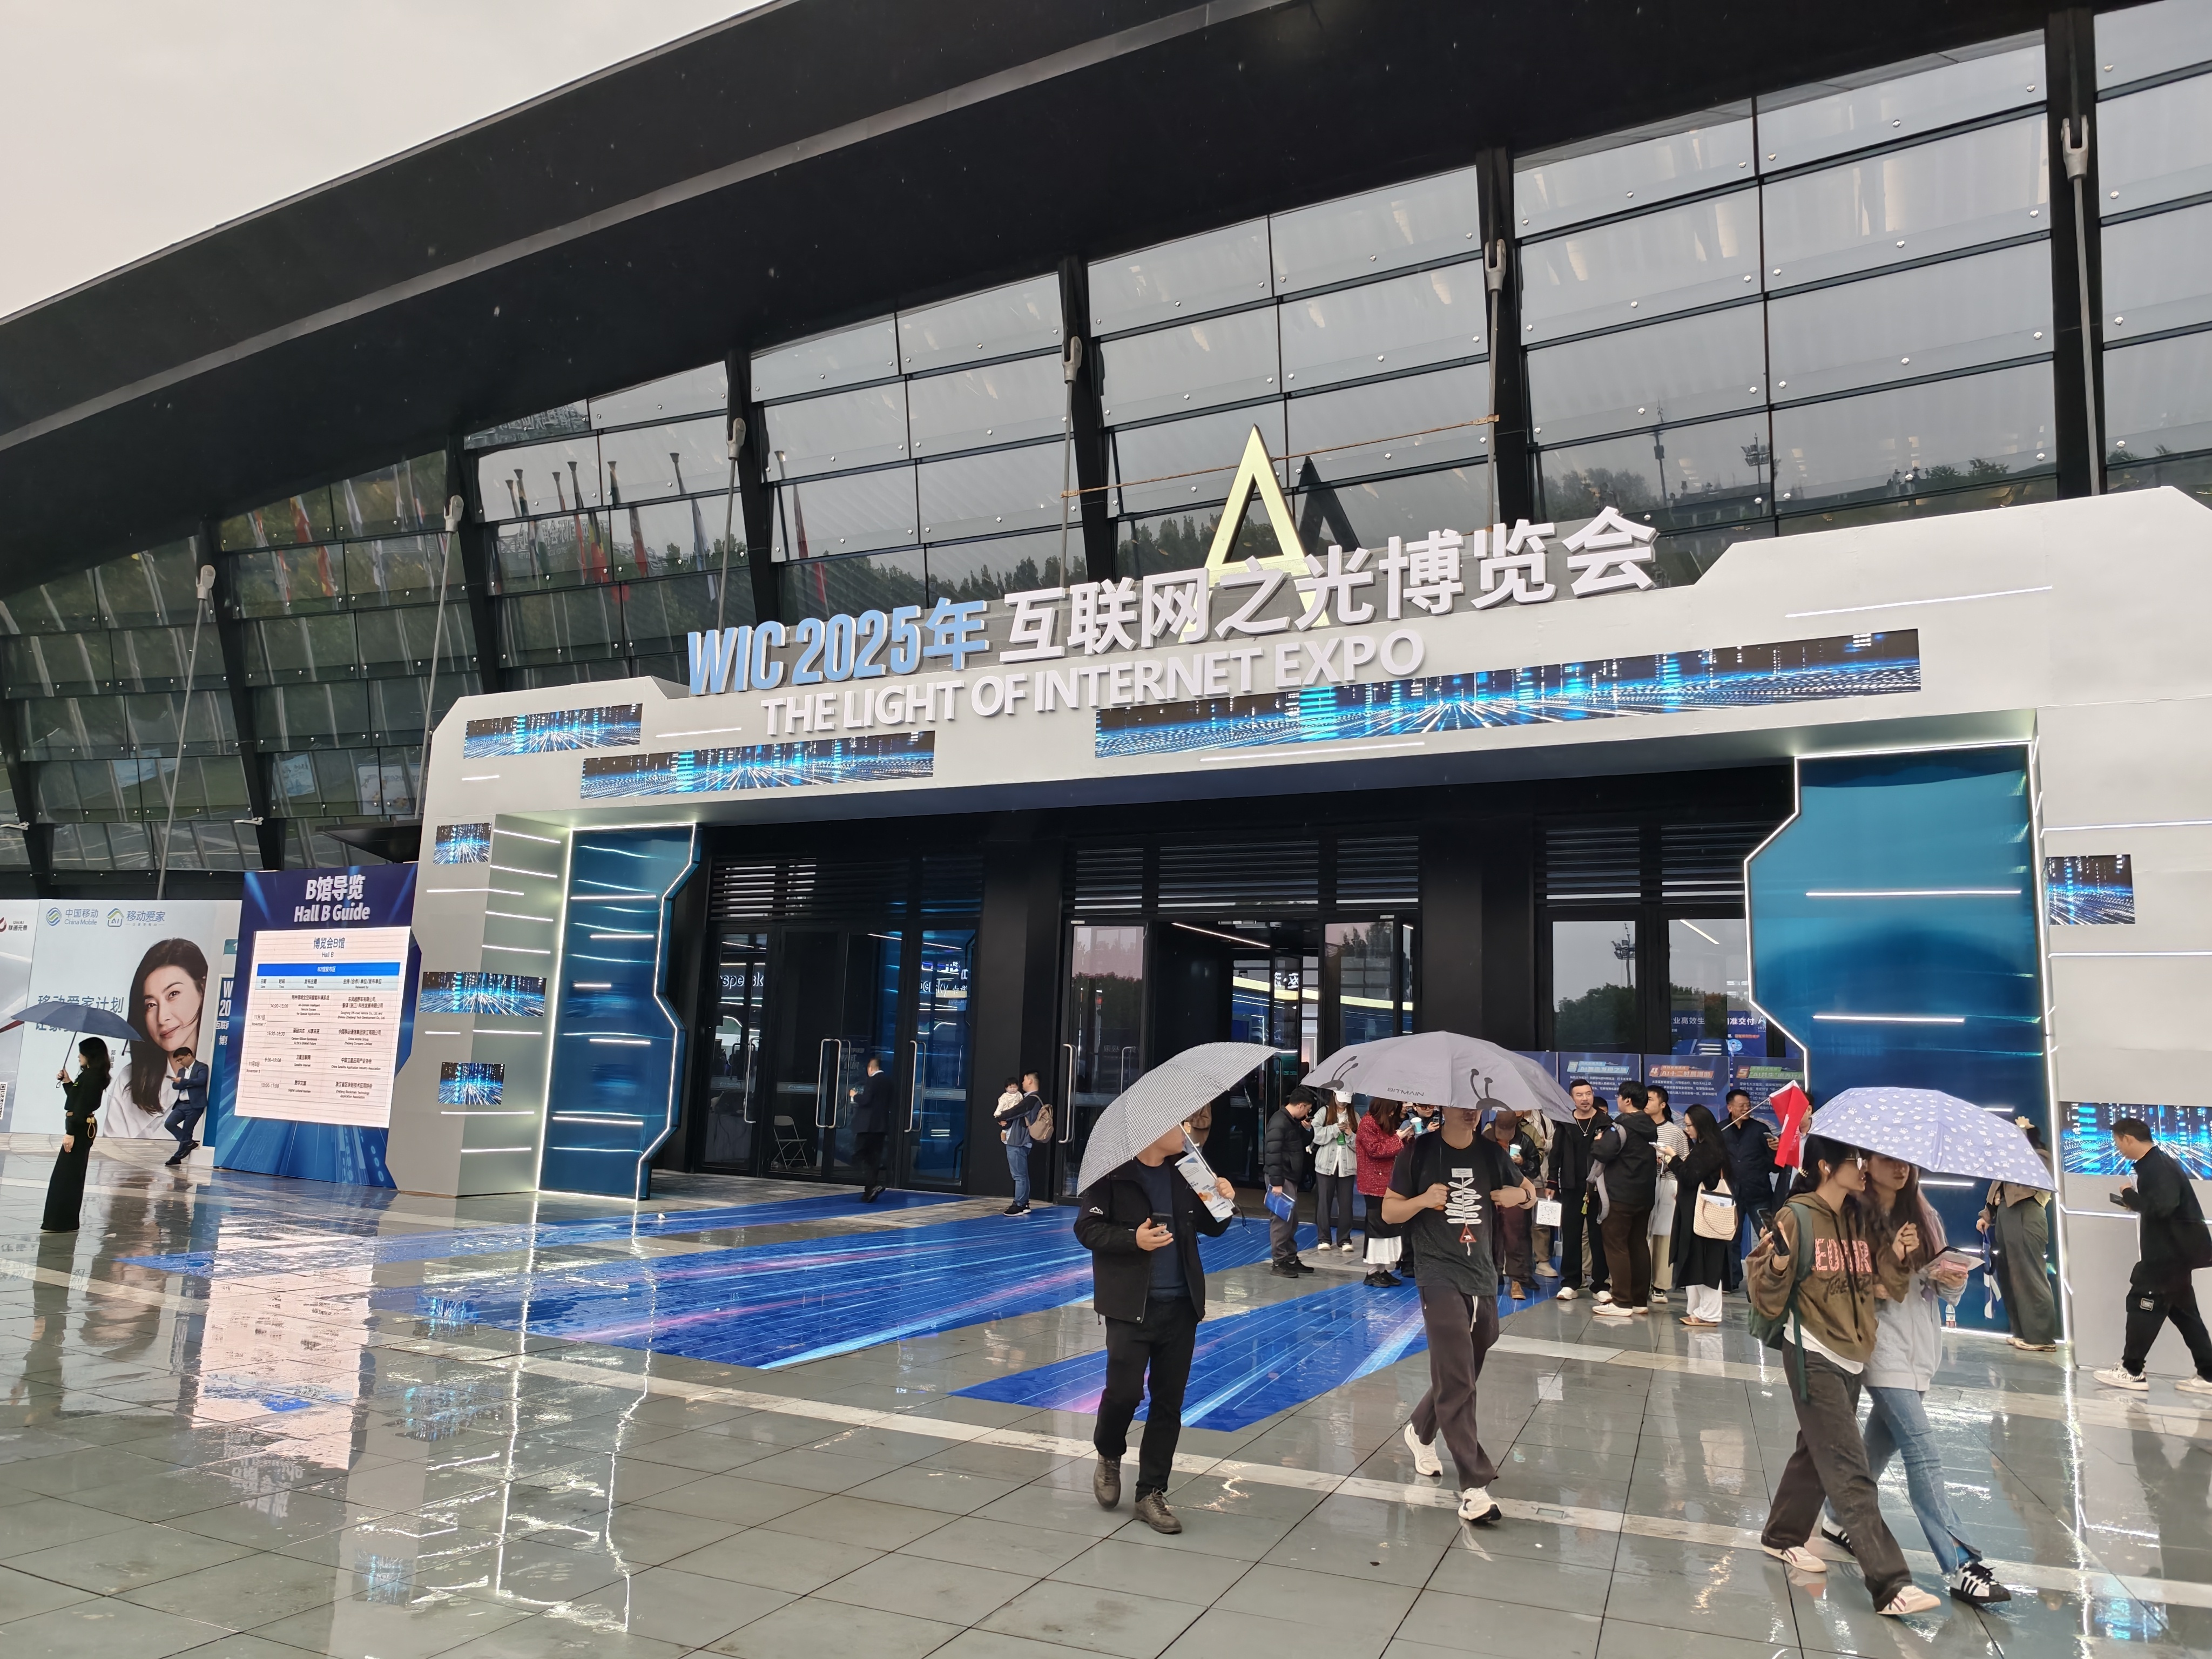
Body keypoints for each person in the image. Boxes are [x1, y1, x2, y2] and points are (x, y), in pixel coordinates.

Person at [1750, 1135, 1941, 1616]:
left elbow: (1879, 1286)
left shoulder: (1856, 1218)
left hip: (1852, 1352)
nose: (1864, 1169)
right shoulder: (1797, 1216)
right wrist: (1777, 1263)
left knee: (1815, 1452)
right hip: (1811, 1349)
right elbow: (1765, 1294)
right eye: (1855, 1161)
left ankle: (1782, 1535)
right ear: (1825, 1167)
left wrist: (1896, 1253)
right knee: (1849, 1467)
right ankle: (1891, 1585)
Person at [1820, 1152, 2011, 1605]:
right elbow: (1852, 1283)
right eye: (1889, 1160)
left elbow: (1940, 1287)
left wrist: (1952, 1279)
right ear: (1869, 1163)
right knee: (1923, 1452)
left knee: (1879, 1443)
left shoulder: (1926, 1216)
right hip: (1880, 1345)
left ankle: (1835, 1516)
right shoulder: (1852, 1215)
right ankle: (1960, 1563)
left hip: (1921, 1345)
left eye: (1907, 1162)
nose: (1901, 1168)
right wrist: (1894, 1256)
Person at [1074, 1112, 1239, 1534]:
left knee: (1168, 1403)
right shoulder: (1113, 1175)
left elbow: (1215, 1226)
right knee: (1125, 1393)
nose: (1187, 1133)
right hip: (1130, 1305)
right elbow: (1088, 1229)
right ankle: (1109, 1452)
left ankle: (1151, 1492)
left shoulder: (1190, 1170)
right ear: (1152, 1130)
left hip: (1181, 1305)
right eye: (1178, 1126)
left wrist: (1223, 1199)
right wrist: (1134, 1240)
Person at [1384, 1097, 1534, 1523]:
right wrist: (1422, 1200)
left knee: (1468, 1363)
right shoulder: (1418, 1152)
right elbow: (1389, 1211)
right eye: (1461, 1105)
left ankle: (1420, 1429)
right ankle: (1474, 1486)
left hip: (1482, 1272)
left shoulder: (1491, 1153)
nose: (1471, 1112)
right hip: (1437, 1273)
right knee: (1457, 1377)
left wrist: (1520, 1196)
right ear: (1442, 1107)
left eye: (1477, 1106)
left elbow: (1529, 1192)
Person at [2094, 1117, 2212, 1393]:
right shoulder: (2156, 1164)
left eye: (2117, 1142)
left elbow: (2163, 1207)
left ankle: (2132, 1370)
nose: (2117, 1148)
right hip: (2174, 1256)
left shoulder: (2157, 1167)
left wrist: (2129, 1196)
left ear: (2128, 1139)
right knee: (2186, 1315)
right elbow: (2160, 1206)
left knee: (2142, 1304)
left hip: (2165, 1256)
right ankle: (2209, 1374)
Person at [100, 938, 210, 1141]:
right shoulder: (130, 1080)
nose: (162, 1018)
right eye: (151, 1005)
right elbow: (113, 1153)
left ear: (202, 990)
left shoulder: (223, 1074)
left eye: (173, 994)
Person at [1978, 1119, 2058, 1351]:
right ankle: (2023, 1332)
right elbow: (1998, 1189)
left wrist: (2021, 1133)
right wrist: (1987, 1216)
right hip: (2006, 1216)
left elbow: (2027, 1171)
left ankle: (2041, 1337)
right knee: (2010, 1275)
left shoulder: (2041, 1157)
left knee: (2029, 1274)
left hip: (2027, 1214)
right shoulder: (2007, 1161)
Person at [1592, 1082, 1658, 1318]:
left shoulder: (1621, 1126)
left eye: (1619, 1096)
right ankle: (1639, 1300)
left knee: (1616, 1245)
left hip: (1619, 1195)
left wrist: (1599, 1140)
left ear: (1628, 1100)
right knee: (1638, 1244)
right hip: (1644, 1195)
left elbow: (1603, 1152)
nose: (1617, 1100)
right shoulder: (1650, 1126)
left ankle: (1621, 1301)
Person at [1671, 1103, 1731, 1327]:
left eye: (1690, 1126)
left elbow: (1690, 1177)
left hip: (1706, 1215)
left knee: (1707, 1264)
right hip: (1695, 1212)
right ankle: (1696, 1309)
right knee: (1695, 1261)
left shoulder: (1710, 1150)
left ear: (1701, 1125)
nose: (1687, 1130)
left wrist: (1672, 1159)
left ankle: (1709, 1313)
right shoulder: (1703, 1147)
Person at [43, 1038, 110, 1232]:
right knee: (68, 1174)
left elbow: (80, 1106)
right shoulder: (90, 1074)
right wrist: (68, 1082)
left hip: (79, 1128)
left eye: (81, 1053)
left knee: (68, 1176)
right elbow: (77, 1097)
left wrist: (70, 1132)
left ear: (90, 1054)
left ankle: (61, 1222)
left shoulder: (93, 1076)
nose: (79, 1056)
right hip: (81, 1125)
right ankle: (61, 1221)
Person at [1548, 1081, 1604, 1302]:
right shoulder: (1565, 1122)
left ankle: (1600, 1284)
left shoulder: (1605, 1122)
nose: (1585, 1098)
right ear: (1572, 1098)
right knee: (1571, 1235)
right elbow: (1555, 1154)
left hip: (1598, 1187)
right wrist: (1552, 1182)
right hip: (1571, 1186)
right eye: (1579, 1095)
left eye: (1588, 1094)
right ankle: (1571, 1282)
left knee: (1598, 1236)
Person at [1721, 1088, 1779, 1284]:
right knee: (1731, 1238)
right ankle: (1731, 1280)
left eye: (1748, 1105)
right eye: (1741, 1106)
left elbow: (1775, 1166)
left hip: (1758, 1193)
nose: (1747, 1109)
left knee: (1768, 1236)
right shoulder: (1721, 1130)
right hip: (1731, 1193)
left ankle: (1771, 1277)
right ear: (1730, 1108)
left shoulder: (1760, 1130)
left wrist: (1775, 1150)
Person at [1356, 1098, 1411, 1286]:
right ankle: (1372, 1272)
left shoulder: (1382, 1123)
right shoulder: (1367, 1123)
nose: (1392, 1113)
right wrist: (1398, 1138)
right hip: (1373, 1184)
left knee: (1387, 1227)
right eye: (1391, 1109)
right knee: (1377, 1227)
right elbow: (1376, 1150)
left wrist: (1403, 1137)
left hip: (1386, 1182)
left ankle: (1382, 1269)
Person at [1487, 1109, 1539, 1300]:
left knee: (1517, 1235)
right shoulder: (1484, 1140)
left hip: (1516, 1192)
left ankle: (1519, 1278)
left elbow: (1535, 1168)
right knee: (1491, 1235)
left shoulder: (1525, 1140)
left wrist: (1522, 1162)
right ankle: (1493, 1274)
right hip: (1490, 1194)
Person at [1264, 1088, 1317, 1277]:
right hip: (1282, 1177)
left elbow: (1300, 1143)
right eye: (1308, 1109)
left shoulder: (1291, 1121)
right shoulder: (1280, 1122)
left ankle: (1290, 1258)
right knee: (1281, 1221)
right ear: (1301, 1106)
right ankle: (1280, 1261)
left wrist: (1307, 1129)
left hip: (1289, 1176)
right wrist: (1277, 1182)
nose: (1307, 1113)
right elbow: (1273, 1153)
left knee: (1291, 1220)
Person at [1647, 1086, 1687, 1304]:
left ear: (1663, 1105)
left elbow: (1685, 1162)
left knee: (1664, 1236)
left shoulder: (1675, 1132)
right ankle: (1640, 1282)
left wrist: (1668, 1160)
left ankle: (1660, 1286)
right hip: (1641, 1184)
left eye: (1650, 1099)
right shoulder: (1637, 1126)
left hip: (1668, 1184)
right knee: (1640, 1235)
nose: (1646, 1103)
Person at [1310, 1091, 1358, 1254]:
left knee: (1346, 1204)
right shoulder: (1324, 1112)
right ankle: (1324, 1239)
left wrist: (1350, 1134)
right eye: (1341, 1100)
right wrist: (1335, 1129)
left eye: (1346, 1101)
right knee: (1324, 1203)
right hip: (1326, 1164)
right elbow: (1315, 1135)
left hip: (1347, 1166)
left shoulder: (1354, 1116)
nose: (1343, 1104)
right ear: (1334, 1095)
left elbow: (1361, 1145)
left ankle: (1345, 1239)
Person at [847, 1054, 894, 1202]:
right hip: (881, 1126)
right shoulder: (889, 1082)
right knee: (875, 1157)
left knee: (860, 1154)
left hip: (867, 1126)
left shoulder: (872, 1081)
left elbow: (866, 1100)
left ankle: (869, 1185)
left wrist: (855, 1096)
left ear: (870, 1068)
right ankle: (870, 1189)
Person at [995, 1075, 1040, 1215]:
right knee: (1022, 1175)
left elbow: (1014, 1112)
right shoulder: (1032, 1099)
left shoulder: (1030, 1100)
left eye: (1024, 1080)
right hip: (1024, 1141)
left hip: (1018, 1141)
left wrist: (1000, 1117)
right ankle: (1023, 1203)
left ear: (1030, 1081)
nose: (1022, 1083)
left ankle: (1019, 1204)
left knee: (1019, 1175)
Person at [159, 1045, 210, 1169]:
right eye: (178, 1061)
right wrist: (183, 1083)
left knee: (188, 1130)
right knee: (169, 1123)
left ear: (189, 1055)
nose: (180, 1062)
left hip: (195, 1105)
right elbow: (175, 1086)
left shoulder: (201, 1067)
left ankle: (177, 1157)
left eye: (181, 1059)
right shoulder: (182, 1071)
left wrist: (184, 1082)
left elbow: (201, 1081)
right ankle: (188, 1143)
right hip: (181, 1104)